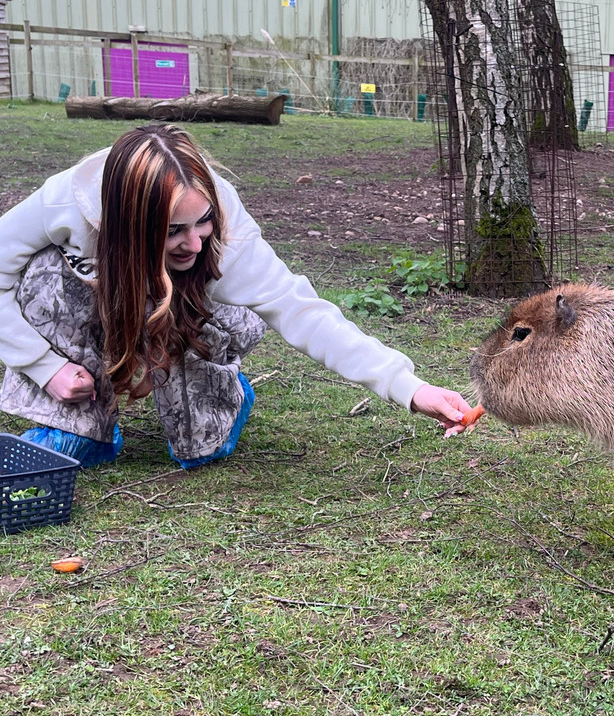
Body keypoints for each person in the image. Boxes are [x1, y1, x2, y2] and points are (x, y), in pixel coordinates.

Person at [0, 123, 473, 469]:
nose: (195, 242)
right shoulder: (66, 202)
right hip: (109, 298)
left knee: (199, 453)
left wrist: (411, 388)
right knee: (45, 273)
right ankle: (77, 422)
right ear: (128, 225)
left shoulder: (225, 234)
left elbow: (301, 310)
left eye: (202, 220)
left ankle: (227, 395)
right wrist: (46, 366)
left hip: (192, 316)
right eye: (172, 231)